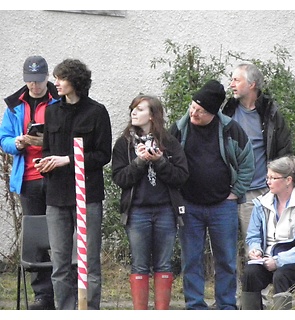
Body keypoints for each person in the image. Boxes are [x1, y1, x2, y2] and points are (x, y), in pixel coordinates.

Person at [169, 80, 255, 310]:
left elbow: (248, 162)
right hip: (189, 205)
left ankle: (226, 306)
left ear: (213, 112)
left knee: (226, 259)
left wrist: (236, 192)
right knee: (191, 259)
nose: (194, 113)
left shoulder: (231, 129)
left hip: (223, 206)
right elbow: (167, 162)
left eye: (201, 111)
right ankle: (195, 305)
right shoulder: (179, 129)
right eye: (193, 107)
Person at [34, 58, 112, 310]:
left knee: (89, 260)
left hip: (87, 196)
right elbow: (47, 150)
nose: (55, 83)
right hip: (56, 197)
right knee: (59, 262)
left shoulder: (97, 112)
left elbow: (103, 155)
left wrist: (67, 160)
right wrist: (45, 165)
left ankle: (88, 310)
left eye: (61, 78)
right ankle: (65, 310)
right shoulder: (52, 110)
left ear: (75, 82)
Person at [111, 95, 189, 310]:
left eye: (139, 109)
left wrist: (160, 161)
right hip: (137, 211)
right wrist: (140, 162)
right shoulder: (124, 144)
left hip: (165, 209)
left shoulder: (169, 142)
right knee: (139, 264)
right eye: (132, 109)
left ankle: (162, 311)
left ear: (153, 115)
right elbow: (120, 179)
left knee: (164, 264)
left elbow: (182, 176)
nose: (133, 113)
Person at [0, 55, 58, 310]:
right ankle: (42, 294)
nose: (34, 86)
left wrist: (46, 143)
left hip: (56, 177)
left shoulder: (60, 101)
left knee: (60, 234)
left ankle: (63, 287)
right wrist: (18, 143)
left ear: (47, 78)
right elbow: (4, 139)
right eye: (30, 81)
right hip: (28, 178)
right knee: (35, 239)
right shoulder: (14, 105)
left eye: (39, 80)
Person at [222, 63, 292, 254]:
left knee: (255, 247)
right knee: (225, 249)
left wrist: (279, 188)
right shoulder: (226, 110)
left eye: (236, 80)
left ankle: (258, 285)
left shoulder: (271, 113)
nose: (231, 84)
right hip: (225, 192)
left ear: (252, 84)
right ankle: (231, 286)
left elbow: (284, 153)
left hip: (257, 192)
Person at [242, 155, 295, 310]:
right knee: (250, 273)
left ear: (288, 180)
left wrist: (278, 261)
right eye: (267, 177)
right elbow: (253, 235)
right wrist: (256, 249)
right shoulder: (261, 204)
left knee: (281, 274)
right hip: (268, 259)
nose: (268, 181)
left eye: (273, 177)